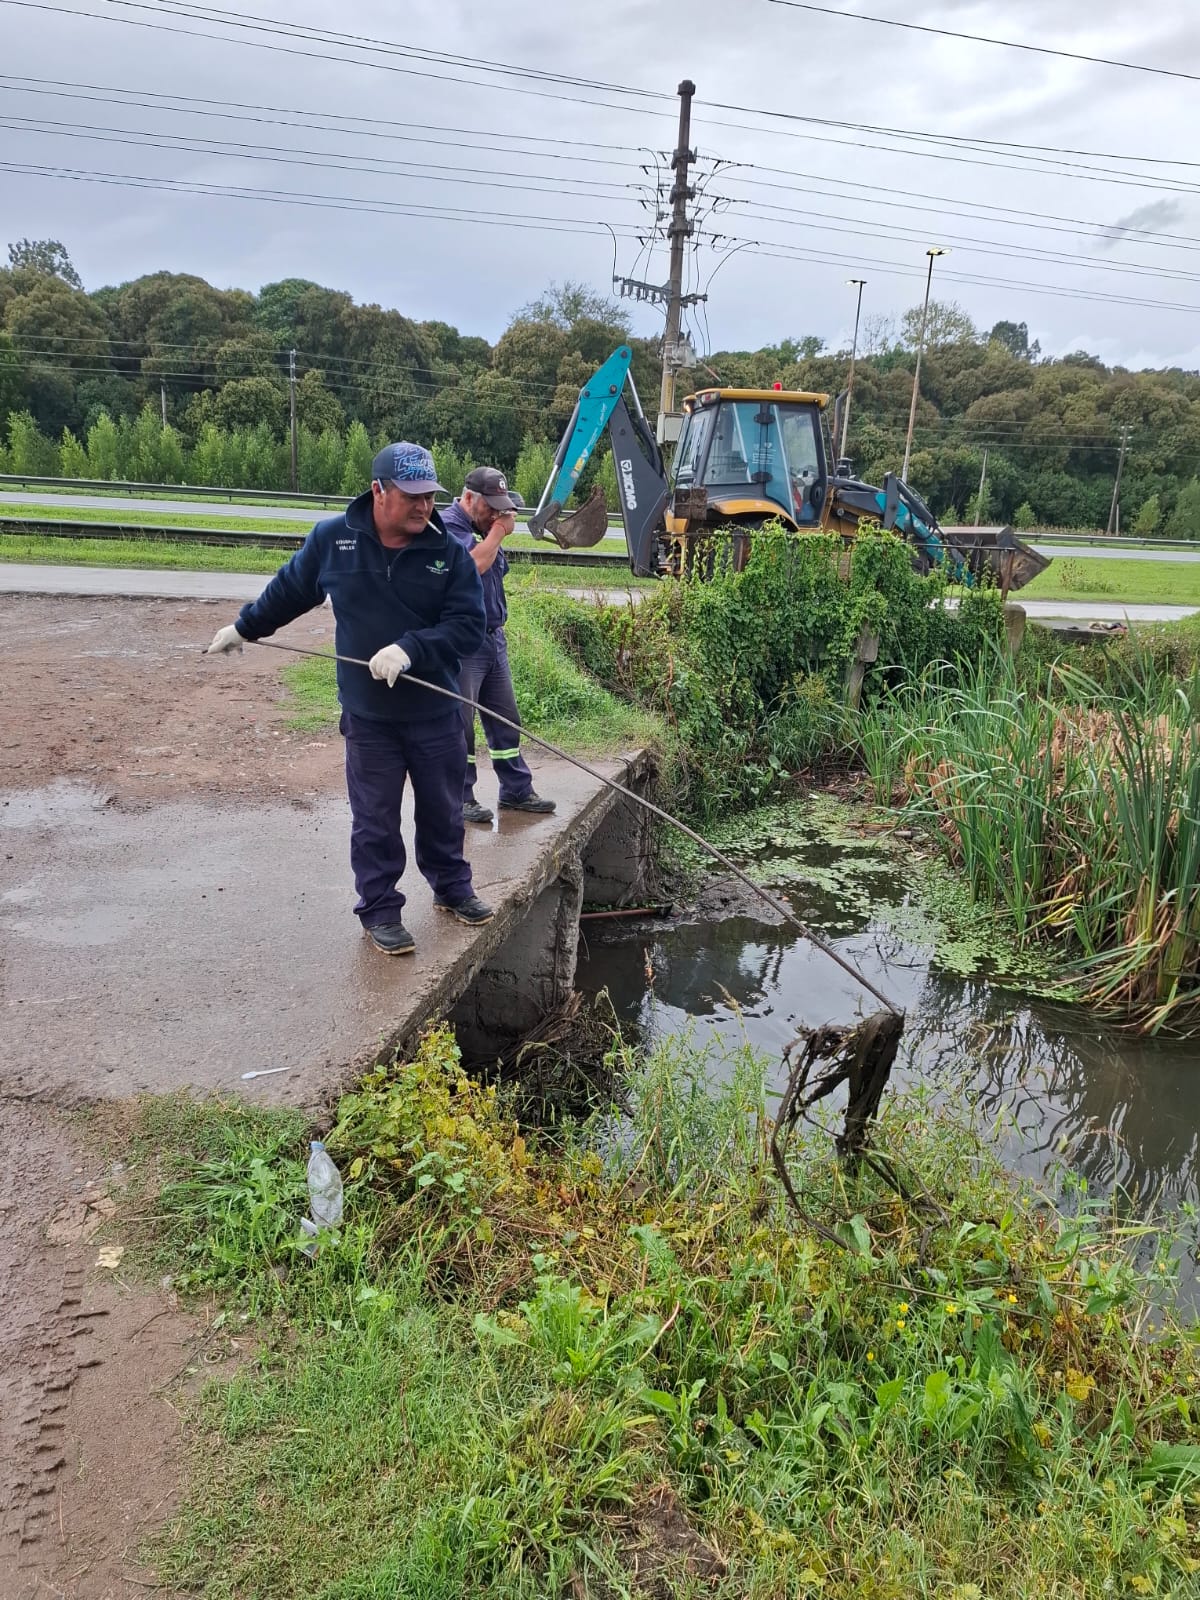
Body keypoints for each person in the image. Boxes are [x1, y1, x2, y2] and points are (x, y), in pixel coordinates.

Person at [205, 442, 493, 957]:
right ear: (378, 490)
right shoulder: (334, 540)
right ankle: (380, 910)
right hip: (370, 716)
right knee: (375, 818)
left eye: (430, 495)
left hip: (435, 713)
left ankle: (452, 888)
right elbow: (290, 590)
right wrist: (245, 627)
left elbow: (469, 626)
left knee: (444, 810)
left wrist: (410, 649)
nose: (424, 506)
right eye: (411, 496)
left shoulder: (447, 552)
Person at [442, 466, 556, 825]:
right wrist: (497, 531)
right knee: (460, 724)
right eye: (490, 507)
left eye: (500, 508)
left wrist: (491, 531)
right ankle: (459, 798)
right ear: (469, 498)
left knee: (506, 720)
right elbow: (472, 565)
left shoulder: (481, 529)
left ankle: (516, 790)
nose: (496, 515)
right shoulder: (448, 527)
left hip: (493, 640)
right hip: (463, 644)